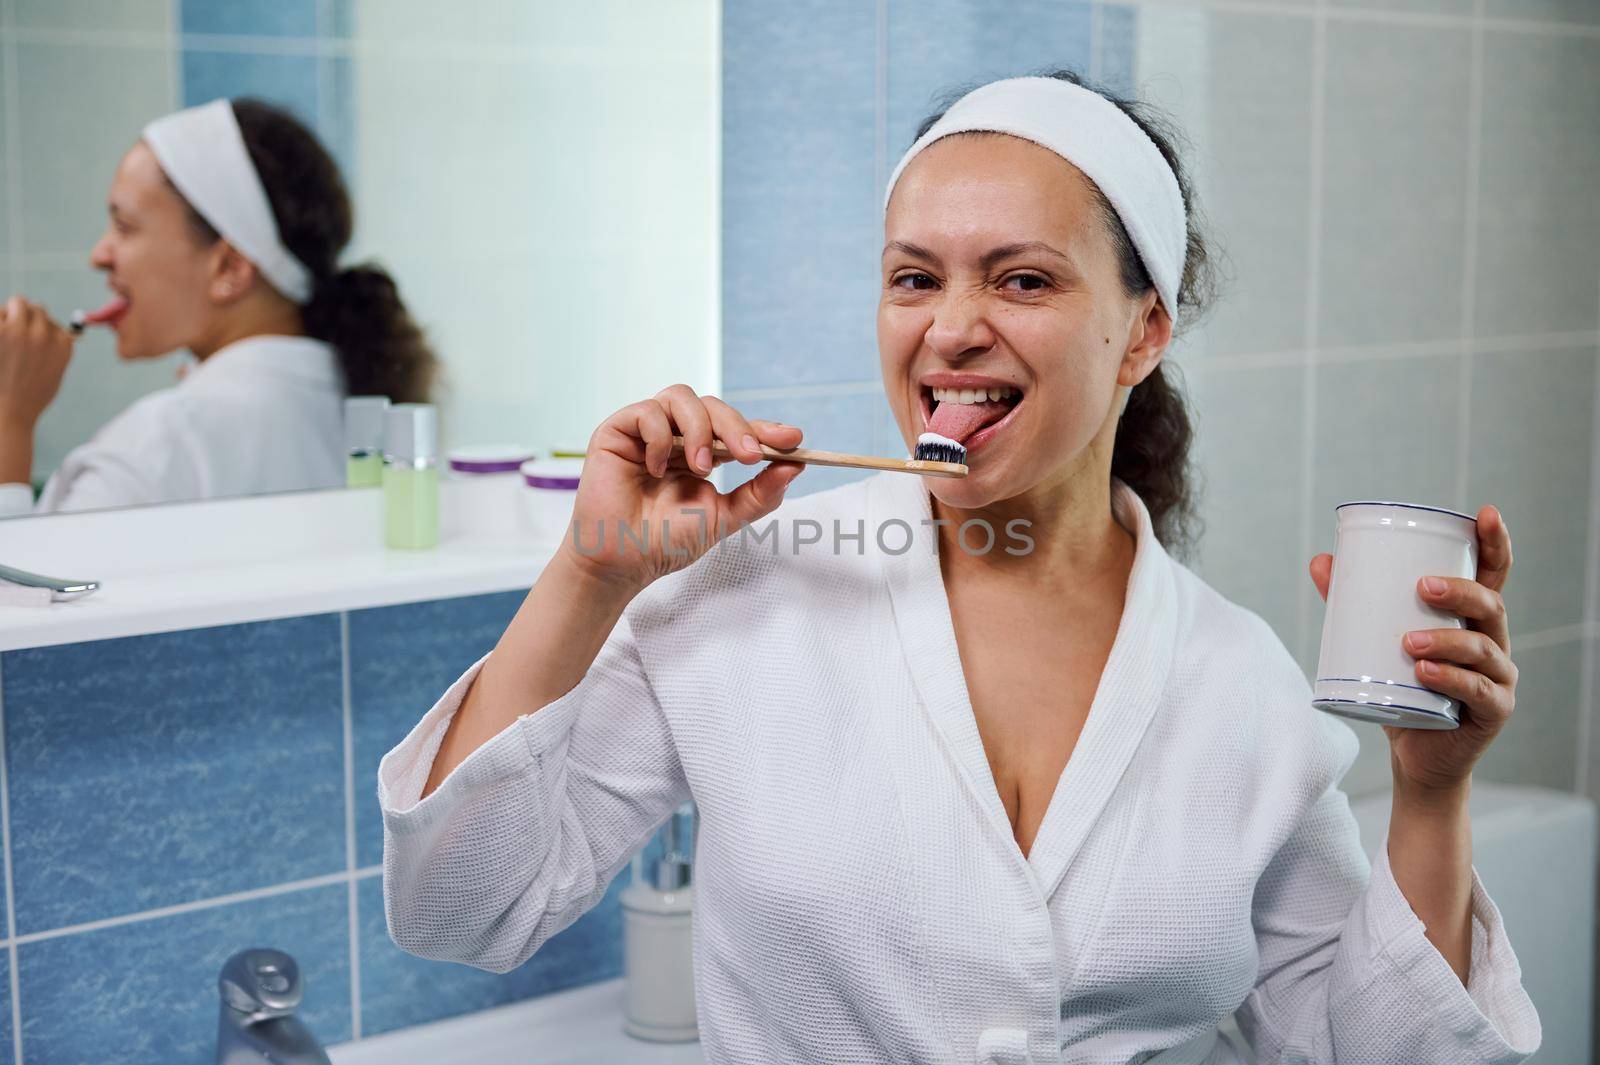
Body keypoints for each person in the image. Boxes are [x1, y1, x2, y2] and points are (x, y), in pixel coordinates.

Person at [376, 71, 1540, 1063]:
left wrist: (1432, 799)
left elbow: (1365, 1047)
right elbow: (461, 911)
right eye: (913, 277)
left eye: (1022, 279)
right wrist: (593, 575)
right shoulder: (752, 593)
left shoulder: (1241, 683)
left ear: (1143, 331)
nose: (950, 329)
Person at [0, 97, 437, 517]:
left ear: (229, 267)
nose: (99, 254)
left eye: (124, 226)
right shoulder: (362, 413)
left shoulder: (158, 445)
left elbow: (24, 592)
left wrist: (9, 419)